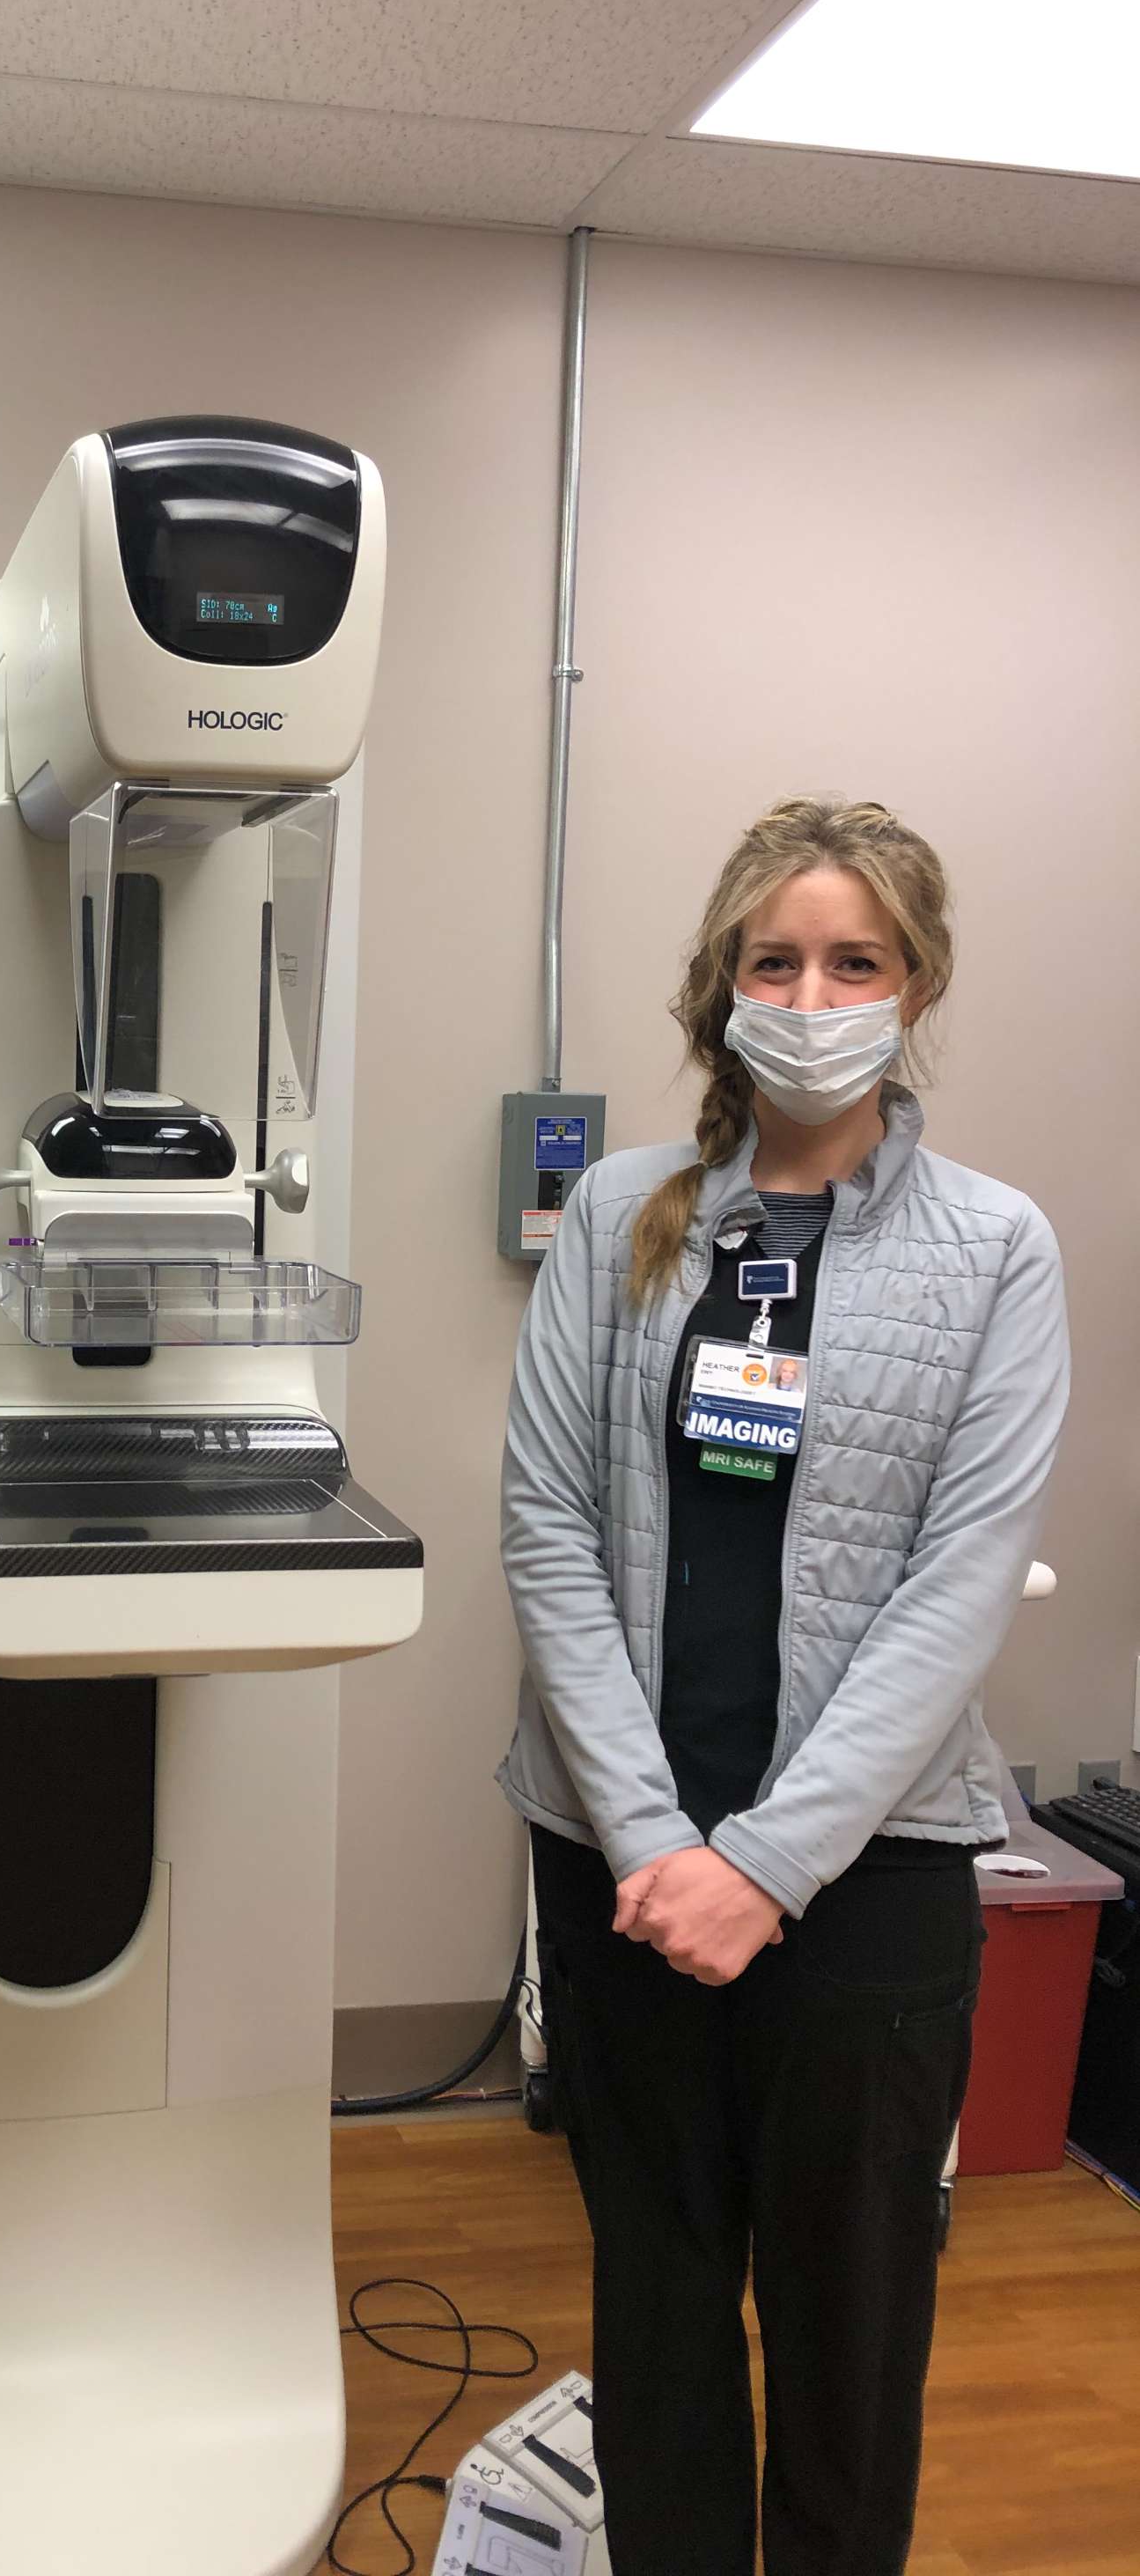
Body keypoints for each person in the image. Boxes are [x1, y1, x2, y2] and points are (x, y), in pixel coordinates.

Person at [497, 796, 1068, 2576]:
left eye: (856, 960)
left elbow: (955, 1590)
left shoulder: (994, 1252)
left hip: (869, 1878)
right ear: (722, 986)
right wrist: (659, 1839)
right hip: (618, 1856)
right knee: (661, 2309)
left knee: (850, 2325)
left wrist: (767, 1866)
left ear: (914, 989)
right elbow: (548, 1526)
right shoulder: (623, 1222)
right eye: (776, 958)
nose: (811, 992)